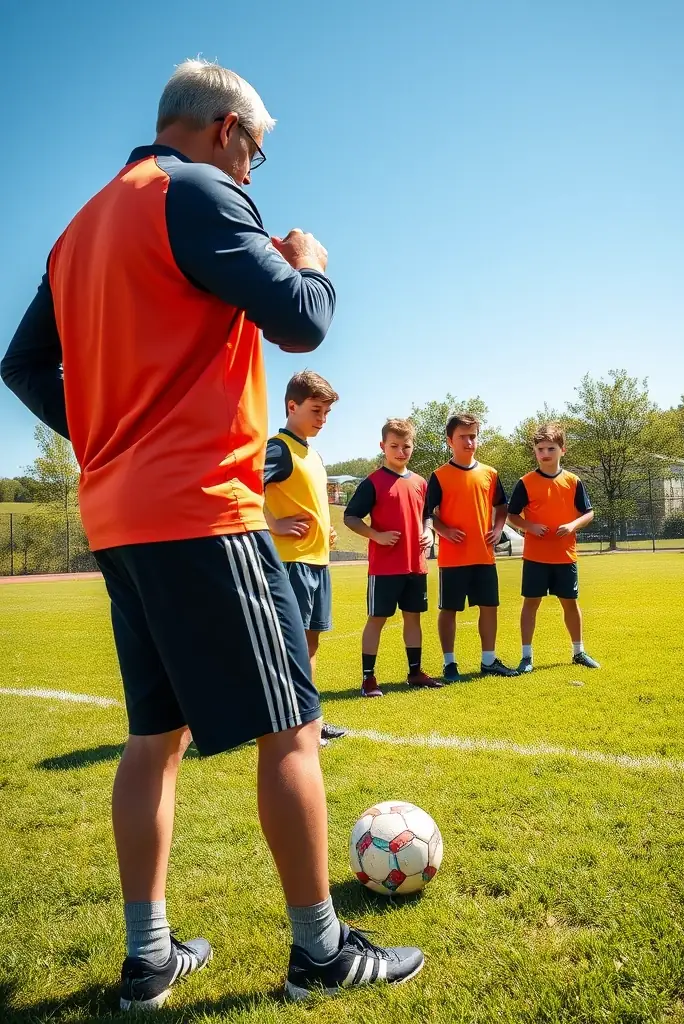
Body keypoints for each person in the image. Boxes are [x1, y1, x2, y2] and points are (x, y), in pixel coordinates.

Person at [1, 59, 422, 1009]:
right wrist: (308, 257)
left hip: (119, 515)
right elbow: (303, 322)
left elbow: (23, 365)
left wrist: (112, 437)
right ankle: (320, 951)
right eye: (256, 154)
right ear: (228, 129)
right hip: (202, 509)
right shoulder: (195, 192)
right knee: (293, 731)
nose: (251, 173)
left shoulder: (78, 230)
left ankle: (149, 954)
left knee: (155, 736)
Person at [264, 370, 347, 745]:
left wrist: (325, 529)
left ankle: (309, 720)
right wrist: (274, 524)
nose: (322, 419)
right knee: (290, 646)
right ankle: (288, 723)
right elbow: (245, 488)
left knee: (311, 644)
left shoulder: (313, 453)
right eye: (316, 410)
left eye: (327, 413)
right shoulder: (278, 448)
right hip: (290, 564)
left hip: (318, 563)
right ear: (291, 406)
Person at [344, 419, 441, 696]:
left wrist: (428, 532)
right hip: (385, 568)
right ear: (382, 446)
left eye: (406, 446)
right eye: (394, 446)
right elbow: (350, 517)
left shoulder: (421, 483)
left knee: (414, 619)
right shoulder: (373, 482)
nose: (401, 451)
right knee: (377, 620)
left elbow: (427, 516)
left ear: (413, 446)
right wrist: (376, 535)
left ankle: (415, 673)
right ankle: (368, 679)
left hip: (415, 565)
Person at [425, 414, 517, 681]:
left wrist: (498, 529)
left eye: (473, 436)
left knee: (489, 607)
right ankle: (449, 664)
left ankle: (489, 661)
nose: (469, 441)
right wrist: (443, 530)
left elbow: (502, 507)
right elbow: (428, 514)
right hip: (453, 559)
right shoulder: (439, 476)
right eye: (463, 437)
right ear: (449, 441)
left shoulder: (490, 474)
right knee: (449, 610)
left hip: (484, 557)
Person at [506, 422, 600, 674]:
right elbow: (511, 515)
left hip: (565, 556)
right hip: (535, 557)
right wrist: (529, 527)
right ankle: (526, 657)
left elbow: (588, 513)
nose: (545, 453)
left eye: (550, 448)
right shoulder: (525, 483)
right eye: (540, 449)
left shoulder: (573, 481)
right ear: (534, 451)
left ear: (562, 450)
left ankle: (579, 652)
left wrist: (572, 525)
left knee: (570, 603)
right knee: (530, 604)